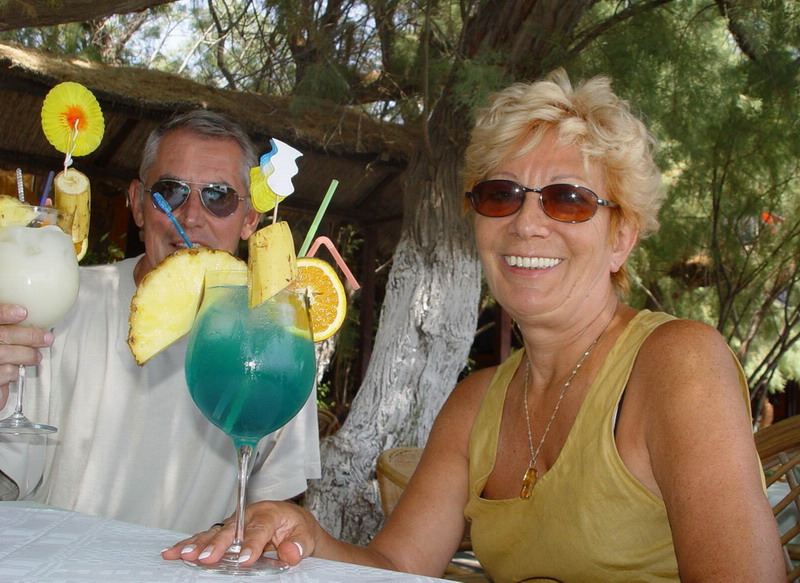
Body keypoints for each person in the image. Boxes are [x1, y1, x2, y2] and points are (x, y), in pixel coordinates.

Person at [164, 71, 784, 580]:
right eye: (501, 195)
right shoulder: (476, 403)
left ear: (621, 236)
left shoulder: (677, 365)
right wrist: (307, 533)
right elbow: (397, 566)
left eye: (568, 199)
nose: (527, 223)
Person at [0, 110, 320, 534]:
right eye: (170, 192)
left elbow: (274, 509)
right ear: (137, 204)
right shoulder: (63, 303)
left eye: (219, 196)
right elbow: (7, 486)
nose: (191, 216)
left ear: (249, 220)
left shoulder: (277, 333)